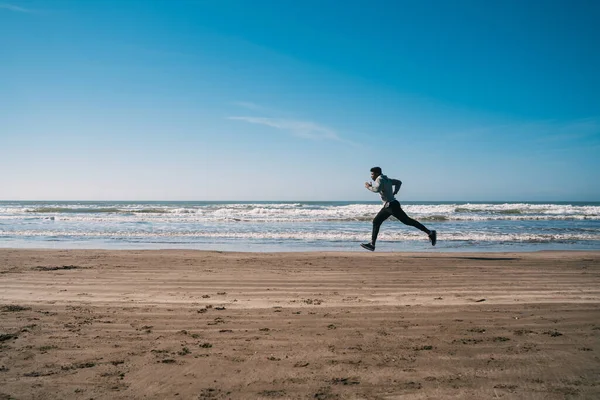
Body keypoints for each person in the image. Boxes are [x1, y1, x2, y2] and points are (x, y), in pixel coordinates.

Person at [361, 167, 436, 251]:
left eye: (372, 174)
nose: (371, 176)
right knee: (376, 221)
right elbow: (399, 182)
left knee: (407, 221)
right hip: (388, 206)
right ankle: (372, 244)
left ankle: (430, 232)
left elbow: (377, 189)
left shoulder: (379, 179)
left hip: (391, 206)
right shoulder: (387, 179)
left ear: (377, 173)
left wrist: (368, 187)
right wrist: (395, 191)